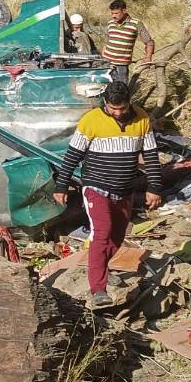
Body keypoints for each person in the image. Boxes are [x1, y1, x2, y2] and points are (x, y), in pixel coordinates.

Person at [52, 82, 163, 309]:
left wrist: (155, 187)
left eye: (122, 108)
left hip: (125, 189)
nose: (118, 113)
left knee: (118, 235)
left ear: (129, 103)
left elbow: (151, 156)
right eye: (113, 109)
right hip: (96, 187)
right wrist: (61, 186)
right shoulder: (91, 120)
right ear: (105, 103)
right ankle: (98, 289)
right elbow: (72, 156)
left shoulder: (142, 119)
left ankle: (102, 267)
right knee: (102, 234)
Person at [102, 0, 154, 85]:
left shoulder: (136, 24)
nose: (114, 16)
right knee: (105, 88)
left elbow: (149, 41)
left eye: (116, 13)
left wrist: (148, 58)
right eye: (112, 13)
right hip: (106, 63)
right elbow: (106, 41)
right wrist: (103, 57)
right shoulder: (110, 23)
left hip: (121, 66)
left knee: (121, 89)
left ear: (124, 11)